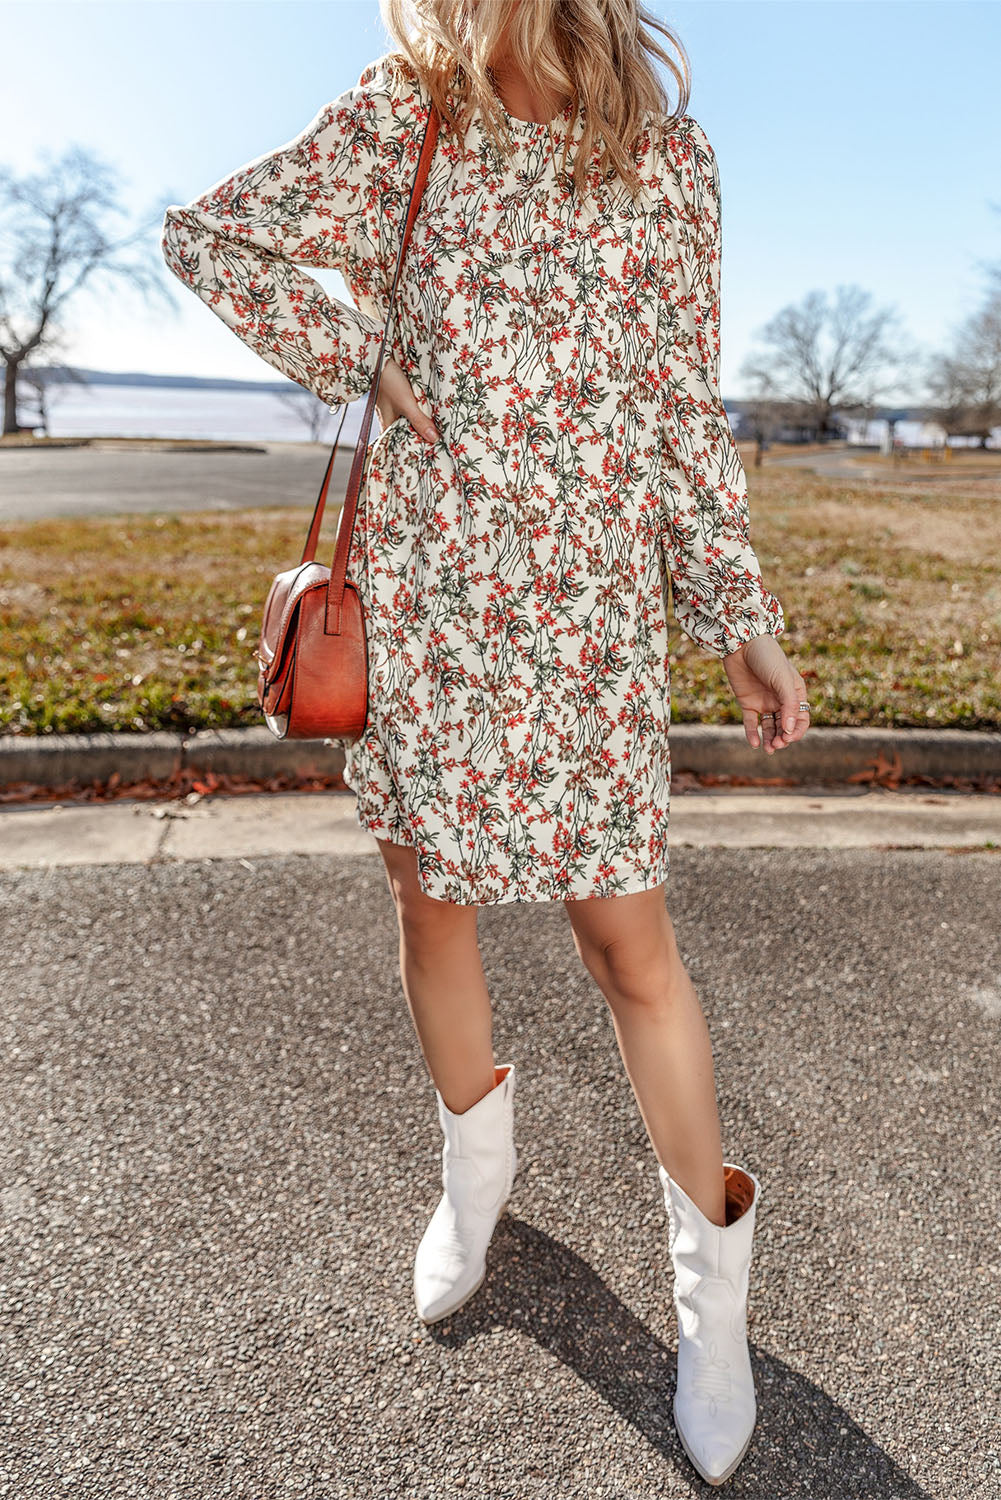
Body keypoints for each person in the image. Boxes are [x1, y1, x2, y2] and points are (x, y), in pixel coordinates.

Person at [161, 0, 811, 1485]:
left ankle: (710, 1309)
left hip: (583, 609)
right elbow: (207, 237)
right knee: (429, 900)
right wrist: (348, 346)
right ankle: (474, 1187)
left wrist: (737, 616)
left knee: (625, 946)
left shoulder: (665, 161)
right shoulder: (408, 113)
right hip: (428, 591)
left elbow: (674, 409)